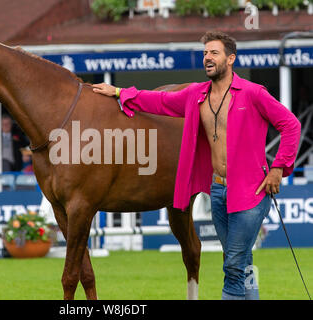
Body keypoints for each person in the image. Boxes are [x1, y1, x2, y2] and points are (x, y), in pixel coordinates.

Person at [92, 31, 301, 300]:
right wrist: (120, 91)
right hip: (218, 192)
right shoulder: (196, 94)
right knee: (242, 262)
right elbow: (159, 102)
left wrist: (278, 169)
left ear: (231, 58)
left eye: (214, 53)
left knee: (233, 267)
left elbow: (291, 125)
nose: (207, 58)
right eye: (205, 53)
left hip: (251, 193)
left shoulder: (253, 93)